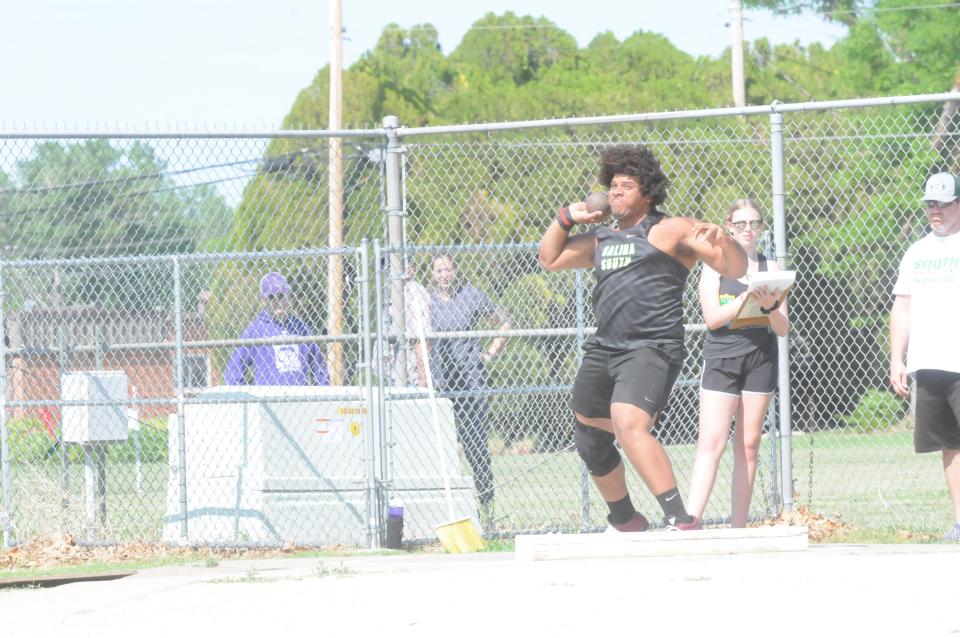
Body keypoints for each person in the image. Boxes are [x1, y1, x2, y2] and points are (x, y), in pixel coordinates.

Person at [538, 144, 747, 532]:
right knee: (588, 433)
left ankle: (679, 517)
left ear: (647, 192)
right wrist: (566, 218)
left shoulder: (672, 230)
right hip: (604, 347)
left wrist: (725, 241)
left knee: (628, 422)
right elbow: (549, 259)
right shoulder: (602, 238)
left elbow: (735, 268)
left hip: (651, 346)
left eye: (626, 185)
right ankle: (624, 518)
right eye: (613, 185)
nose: (615, 192)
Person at [686, 199, 789, 528]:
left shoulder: (769, 269)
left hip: (760, 358)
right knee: (712, 442)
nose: (748, 230)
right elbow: (713, 319)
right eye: (741, 224)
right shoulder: (714, 266)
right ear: (728, 227)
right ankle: (691, 520)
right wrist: (745, 299)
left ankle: (739, 526)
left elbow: (783, 328)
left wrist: (771, 306)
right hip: (722, 357)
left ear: (761, 228)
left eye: (754, 223)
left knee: (748, 445)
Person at [890, 171, 960, 541]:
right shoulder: (916, 252)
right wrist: (897, 360)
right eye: (931, 204)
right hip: (928, 362)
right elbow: (903, 308)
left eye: (943, 204)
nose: (936, 211)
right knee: (949, 445)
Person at [429, 254, 510, 510]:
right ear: (432, 274)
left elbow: (505, 323)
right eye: (439, 270)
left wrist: (487, 355)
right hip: (440, 385)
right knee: (438, 449)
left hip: (471, 383)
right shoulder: (426, 302)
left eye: (448, 269)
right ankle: (442, 508)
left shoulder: (471, 295)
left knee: (475, 447)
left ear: (455, 270)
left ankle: (487, 506)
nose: (444, 275)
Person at [224, 272, 330, 386]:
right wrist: (246, 399)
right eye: (271, 297)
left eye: (281, 296)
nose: (278, 302)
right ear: (264, 301)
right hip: (268, 400)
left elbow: (320, 371)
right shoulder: (255, 330)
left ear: (289, 296)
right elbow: (233, 371)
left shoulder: (301, 328)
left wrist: (323, 393)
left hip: (298, 399)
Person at [376, 260, 432, 387]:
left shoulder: (414, 294)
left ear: (411, 268)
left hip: (409, 381)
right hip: (391, 377)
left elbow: (422, 340)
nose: (391, 270)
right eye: (389, 266)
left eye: (396, 265)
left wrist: (423, 382)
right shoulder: (393, 291)